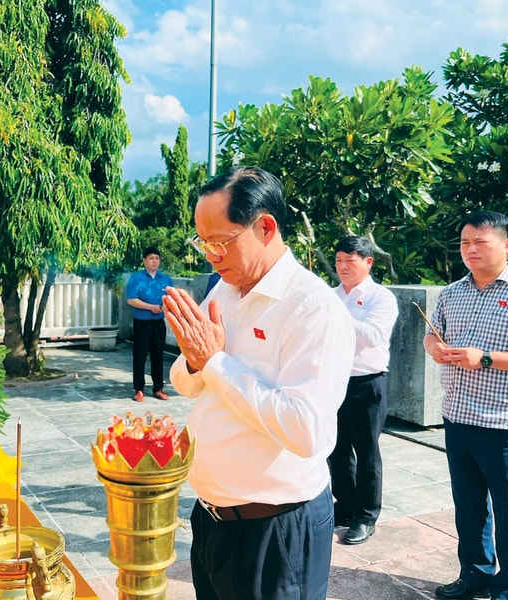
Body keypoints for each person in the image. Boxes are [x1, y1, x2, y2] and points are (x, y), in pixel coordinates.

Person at [164, 166, 355, 600]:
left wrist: (214, 362)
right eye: (202, 242)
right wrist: (199, 363)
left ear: (265, 227)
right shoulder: (225, 291)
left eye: (219, 242)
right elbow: (186, 380)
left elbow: (305, 430)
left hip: (274, 528)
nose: (210, 255)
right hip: (212, 517)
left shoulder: (312, 309)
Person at [423, 211, 508, 600]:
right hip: (457, 415)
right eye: (465, 242)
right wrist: (436, 349)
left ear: (506, 245)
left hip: (504, 422)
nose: (470, 249)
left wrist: (483, 358)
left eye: (480, 242)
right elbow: (430, 337)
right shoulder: (452, 293)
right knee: (468, 507)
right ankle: (475, 574)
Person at [328, 236, 398, 545]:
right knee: (337, 450)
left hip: (367, 383)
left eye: (350, 261)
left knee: (367, 452)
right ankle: (344, 507)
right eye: (339, 261)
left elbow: (371, 336)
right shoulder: (330, 296)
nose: (342, 267)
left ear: (368, 262)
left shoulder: (380, 297)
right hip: (334, 381)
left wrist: (336, 317)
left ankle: (366, 517)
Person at [126, 246, 173, 402]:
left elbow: (172, 298)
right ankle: (139, 389)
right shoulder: (136, 278)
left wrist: (166, 306)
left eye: (157, 258)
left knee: (158, 356)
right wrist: (149, 307)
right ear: (144, 260)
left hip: (159, 323)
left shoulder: (166, 279)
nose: (155, 261)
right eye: (151, 258)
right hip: (142, 324)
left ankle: (158, 388)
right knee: (139, 356)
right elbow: (131, 299)